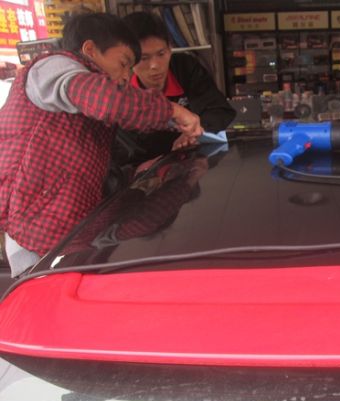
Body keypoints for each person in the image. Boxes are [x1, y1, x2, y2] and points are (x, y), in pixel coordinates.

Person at [0, 12, 204, 277]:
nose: (126, 76)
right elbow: (110, 101)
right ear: (90, 50)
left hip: (75, 231)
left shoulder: (85, 107)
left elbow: (92, 167)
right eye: (124, 63)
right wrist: (173, 111)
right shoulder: (51, 68)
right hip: (35, 238)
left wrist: (158, 180)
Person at [116, 11, 236, 164]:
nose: (155, 65)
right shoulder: (119, 89)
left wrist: (194, 132)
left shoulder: (185, 68)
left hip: (192, 164)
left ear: (170, 48)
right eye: (144, 58)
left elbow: (220, 111)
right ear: (129, 59)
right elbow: (124, 152)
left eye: (161, 54)